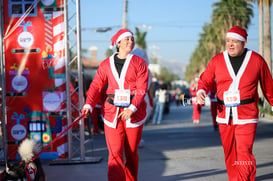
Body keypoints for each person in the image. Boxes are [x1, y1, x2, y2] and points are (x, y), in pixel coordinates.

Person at [196, 26, 273, 181]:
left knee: (244, 152)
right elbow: (205, 79)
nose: (230, 44)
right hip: (225, 116)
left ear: (243, 43)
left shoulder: (257, 60)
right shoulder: (217, 60)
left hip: (247, 114)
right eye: (228, 41)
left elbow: (268, 86)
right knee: (230, 153)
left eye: (235, 42)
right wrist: (201, 91)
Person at [81, 29, 149, 181]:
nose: (131, 41)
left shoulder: (140, 63)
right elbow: (96, 85)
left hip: (134, 113)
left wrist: (132, 108)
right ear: (118, 43)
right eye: (127, 39)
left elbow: (142, 88)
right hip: (112, 112)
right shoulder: (105, 64)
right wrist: (88, 105)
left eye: (132, 39)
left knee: (131, 153)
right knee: (115, 153)